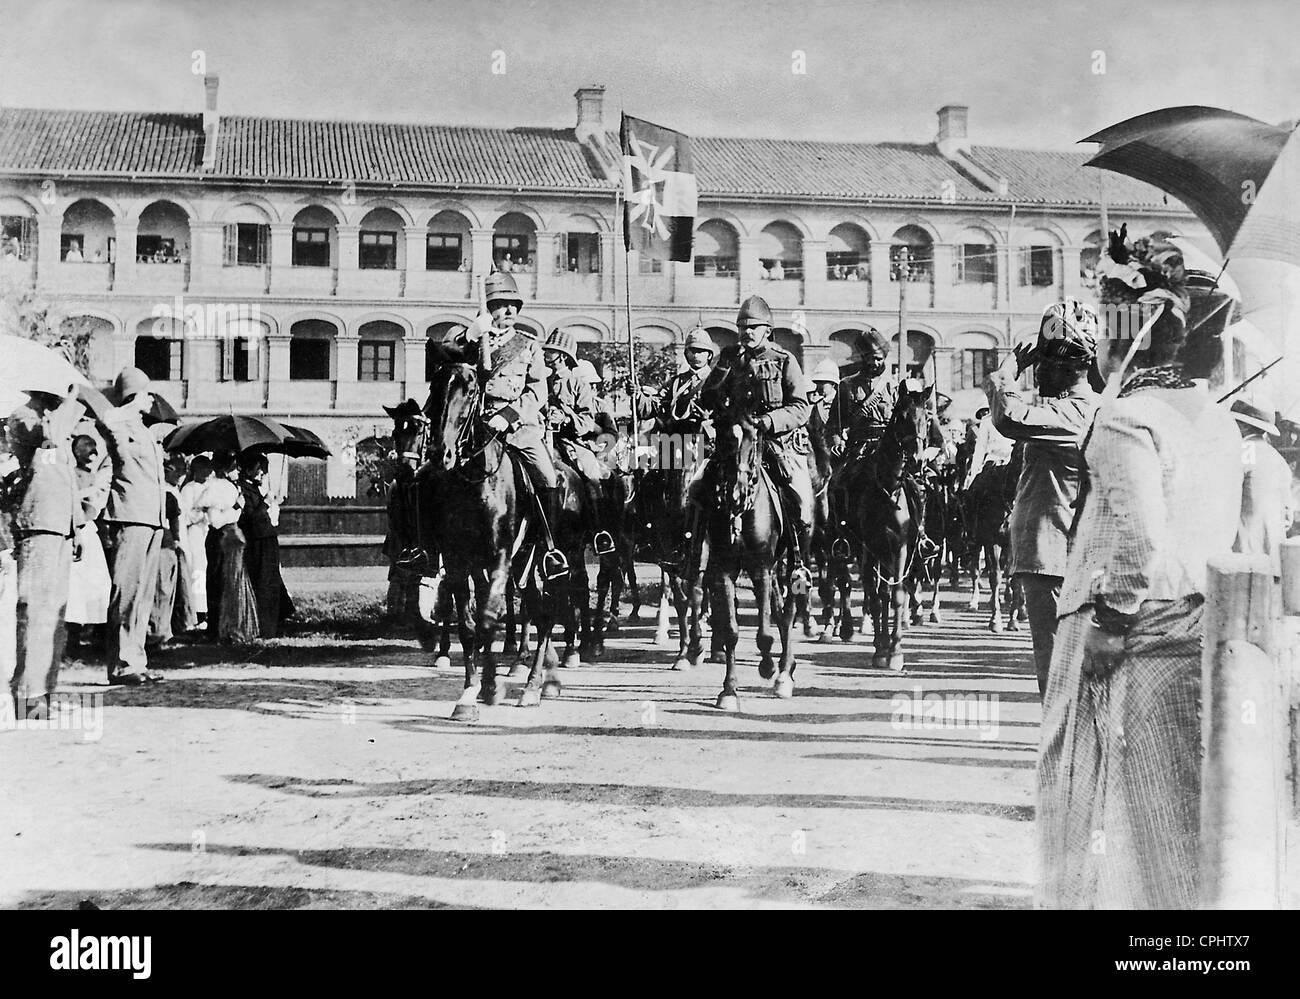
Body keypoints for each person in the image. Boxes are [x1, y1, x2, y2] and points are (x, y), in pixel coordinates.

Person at [1037, 303, 1242, 910]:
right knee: (1166, 788)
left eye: (1105, 335)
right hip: (1194, 617)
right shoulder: (1217, 418)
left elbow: (1141, 535)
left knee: (1081, 778)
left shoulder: (1125, 418)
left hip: (1128, 622)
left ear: (1124, 347)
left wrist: (1111, 620)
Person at [984, 298, 1101, 697]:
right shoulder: (1081, 408)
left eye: (1044, 363)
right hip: (1061, 558)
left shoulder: (1076, 412)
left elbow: (1008, 417)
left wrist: (1007, 372)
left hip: (1055, 559)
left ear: (1065, 367)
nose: (1038, 372)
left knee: (1056, 679)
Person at [424, 270, 565, 575]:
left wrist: (509, 416)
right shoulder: (472, 342)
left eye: (513, 305)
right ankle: (425, 549)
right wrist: (472, 336)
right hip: (472, 428)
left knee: (547, 477)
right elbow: (446, 359)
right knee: (428, 476)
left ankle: (550, 549)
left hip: (518, 429)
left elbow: (537, 391)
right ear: (488, 310)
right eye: (500, 305)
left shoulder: (528, 345)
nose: (509, 310)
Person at [696, 295, 814, 565]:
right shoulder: (729, 359)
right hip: (736, 444)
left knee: (801, 500)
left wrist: (768, 421)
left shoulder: (784, 360)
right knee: (697, 488)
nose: (746, 332)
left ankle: (799, 561)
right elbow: (708, 399)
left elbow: (800, 407)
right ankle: (693, 556)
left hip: (776, 444)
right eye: (742, 328)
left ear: (767, 331)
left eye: (753, 327)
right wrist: (721, 369)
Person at [827, 327, 939, 558]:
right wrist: (837, 441)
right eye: (870, 359)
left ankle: (921, 535)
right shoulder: (847, 385)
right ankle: (842, 537)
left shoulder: (897, 387)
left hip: (890, 448)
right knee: (839, 484)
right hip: (859, 447)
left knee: (916, 487)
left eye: (878, 359)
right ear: (863, 359)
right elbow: (834, 424)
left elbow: (909, 419)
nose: (875, 363)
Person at [5, 387, 82, 716]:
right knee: (36, 612)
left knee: (55, 616)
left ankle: (44, 692)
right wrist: (70, 402)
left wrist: (76, 526)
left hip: (59, 526)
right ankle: (28, 695)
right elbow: (47, 437)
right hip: (37, 523)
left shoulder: (53, 420)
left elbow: (67, 478)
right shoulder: (25, 417)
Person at [97, 367, 167, 685]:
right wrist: (128, 403)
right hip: (129, 515)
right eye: (146, 393)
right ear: (133, 394)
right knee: (126, 592)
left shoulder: (143, 429)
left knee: (142, 595)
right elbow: (106, 420)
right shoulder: (118, 424)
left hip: (152, 517)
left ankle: (136, 659)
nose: (151, 399)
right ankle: (121, 664)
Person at [197, 452, 258, 643]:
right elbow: (216, 522)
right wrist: (237, 507)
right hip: (222, 539)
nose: (237, 470)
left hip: (232, 538)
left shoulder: (231, 486)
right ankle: (221, 628)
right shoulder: (214, 488)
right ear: (226, 468)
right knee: (220, 581)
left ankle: (233, 626)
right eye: (233, 466)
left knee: (233, 581)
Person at [1230, 398, 1294, 577]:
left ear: (1243, 426)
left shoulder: (1241, 450)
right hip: (1274, 558)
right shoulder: (1278, 459)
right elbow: (1287, 517)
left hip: (1242, 555)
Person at [65, 432, 111, 659]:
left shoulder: (94, 476)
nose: (91, 453)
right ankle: (71, 641)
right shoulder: (71, 475)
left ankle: (94, 636)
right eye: (86, 448)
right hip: (76, 530)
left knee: (97, 584)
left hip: (91, 532)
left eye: (93, 448)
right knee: (75, 588)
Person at [238, 451, 290, 638]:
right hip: (257, 541)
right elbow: (251, 518)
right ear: (248, 470)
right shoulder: (243, 489)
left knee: (271, 580)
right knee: (263, 582)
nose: (262, 473)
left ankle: (274, 622)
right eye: (259, 469)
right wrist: (266, 502)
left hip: (267, 538)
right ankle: (264, 626)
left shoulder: (254, 488)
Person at [178, 454, 212, 628]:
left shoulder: (210, 487)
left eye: (208, 468)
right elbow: (185, 516)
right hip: (195, 535)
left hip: (209, 532)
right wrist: (201, 511)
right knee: (198, 571)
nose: (207, 472)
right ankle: (198, 612)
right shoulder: (188, 489)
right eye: (203, 468)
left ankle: (209, 609)